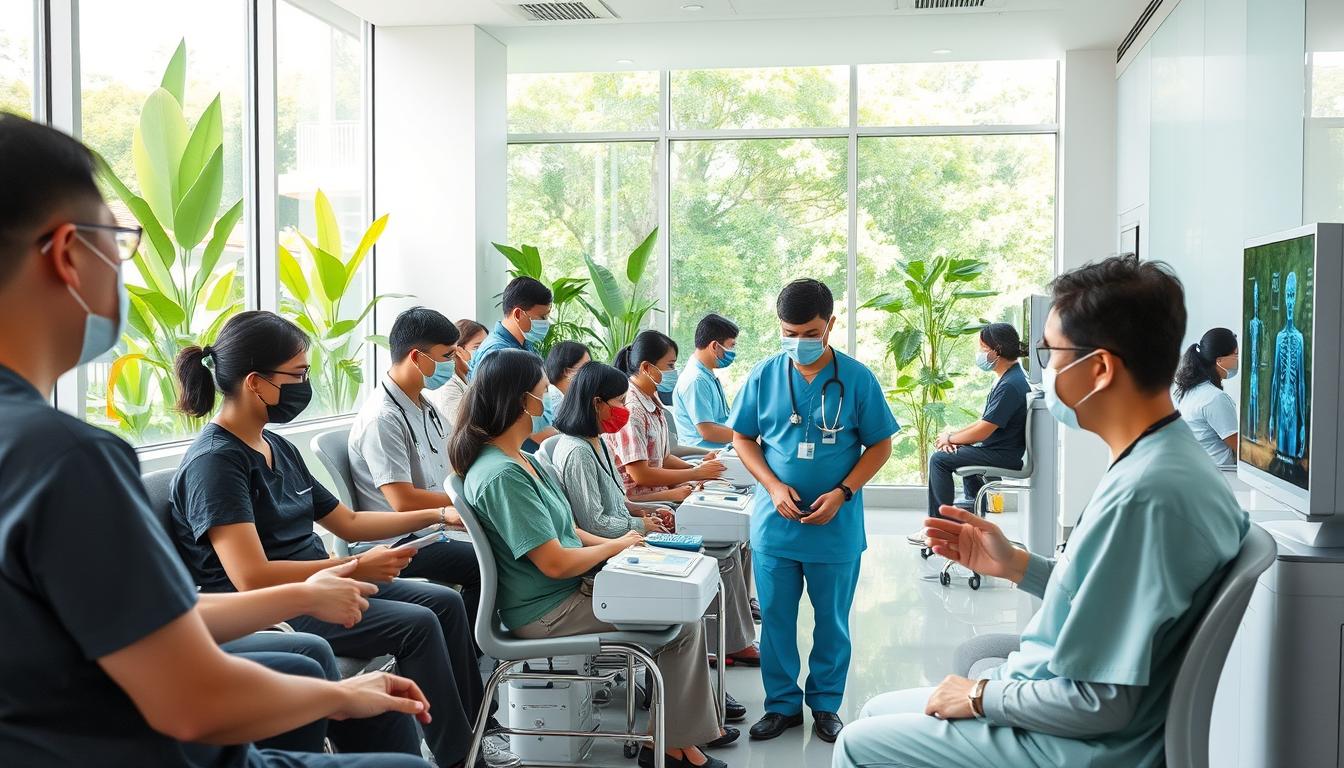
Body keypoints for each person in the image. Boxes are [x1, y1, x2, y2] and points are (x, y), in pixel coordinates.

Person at [0, 113, 429, 767]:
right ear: (66, 254)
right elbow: (195, 701)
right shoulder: (65, 460)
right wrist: (336, 697)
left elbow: (135, 626)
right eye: (118, 240)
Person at [835, 255, 1250, 768]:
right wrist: (1014, 565)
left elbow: (1100, 703)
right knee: (876, 711)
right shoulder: (1162, 459)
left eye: (1050, 353)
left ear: (1098, 368)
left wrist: (980, 695)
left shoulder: (1147, 496)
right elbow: (1107, 599)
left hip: (1069, 744)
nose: (1045, 373)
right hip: (1051, 708)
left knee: (857, 743)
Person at [169, 310, 503, 768]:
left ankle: (467, 739)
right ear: (255, 382)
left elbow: (346, 522)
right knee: (418, 623)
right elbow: (250, 577)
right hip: (279, 604)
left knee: (442, 605)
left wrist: (443, 515)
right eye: (298, 374)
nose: (305, 384)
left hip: (325, 580)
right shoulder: (216, 463)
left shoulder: (276, 446)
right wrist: (350, 568)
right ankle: (455, 757)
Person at [450, 349, 734, 768]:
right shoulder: (502, 475)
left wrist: (628, 542)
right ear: (522, 401)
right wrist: (619, 545)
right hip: (547, 610)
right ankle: (672, 747)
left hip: (570, 590)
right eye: (544, 393)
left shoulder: (523, 460)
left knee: (680, 607)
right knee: (682, 625)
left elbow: (569, 531)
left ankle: (674, 739)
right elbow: (555, 563)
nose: (550, 402)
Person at [727, 279, 899, 744]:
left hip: (835, 526)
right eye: (790, 332)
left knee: (833, 623)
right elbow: (742, 437)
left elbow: (880, 444)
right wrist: (772, 484)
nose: (799, 342)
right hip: (775, 524)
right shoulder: (764, 375)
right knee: (778, 621)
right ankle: (781, 706)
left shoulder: (857, 378)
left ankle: (825, 704)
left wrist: (843, 491)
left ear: (830, 326)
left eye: (810, 332)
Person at [550, 362, 760, 672]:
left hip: (627, 536)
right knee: (711, 564)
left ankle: (721, 649)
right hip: (613, 551)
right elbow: (594, 523)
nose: (625, 409)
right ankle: (721, 651)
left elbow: (617, 500)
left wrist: (645, 511)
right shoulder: (578, 451)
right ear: (597, 403)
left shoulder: (596, 441)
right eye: (620, 403)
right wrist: (641, 524)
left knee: (717, 556)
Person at [346, 307, 486, 641]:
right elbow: (402, 501)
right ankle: (463, 657)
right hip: (401, 537)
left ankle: (468, 655)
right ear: (416, 357)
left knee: (501, 547)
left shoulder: (425, 405)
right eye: (447, 355)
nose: (455, 363)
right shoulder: (383, 418)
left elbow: (453, 464)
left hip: (435, 523)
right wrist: (464, 508)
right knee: (485, 565)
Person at [907, 322, 1031, 545]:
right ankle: (969, 519)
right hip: (996, 449)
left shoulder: (1010, 385)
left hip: (1001, 454)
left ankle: (939, 528)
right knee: (954, 450)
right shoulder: (1009, 379)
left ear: (997, 350)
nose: (980, 354)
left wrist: (951, 439)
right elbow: (984, 422)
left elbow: (983, 431)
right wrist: (951, 436)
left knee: (939, 460)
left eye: (983, 348)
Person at [606, 330, 727, 503]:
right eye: (670, 365)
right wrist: (695, 473)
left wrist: (699, 467)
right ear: (646, 368)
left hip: (660, 490)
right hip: (641, 501)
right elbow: (640, 475)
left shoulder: (651, 400)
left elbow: (663, 458)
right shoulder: (631, 410)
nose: (674, 372)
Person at [469, 276, 556, 445]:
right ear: (518, 314)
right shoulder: (497, 354)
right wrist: (560, 443)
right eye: (542, 317)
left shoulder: (526, 345)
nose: (546, 323)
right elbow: (514, 414)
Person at [1173, 327, 1240, 467]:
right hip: (1220, 474)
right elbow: (1240, 448)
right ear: (1220, 360)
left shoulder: (1189, 391)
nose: (1238, 360)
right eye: (1236, 355)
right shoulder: (1215, 398)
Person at [673, 313, 739, 450]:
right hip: (702, 456)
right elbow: (708, 432)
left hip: (718, 451)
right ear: (715, 346)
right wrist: (749, 437)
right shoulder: (696, 380)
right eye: (731, 346)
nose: (733, 352)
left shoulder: (706, 375)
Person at [427, 317, 487, 431]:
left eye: (486, 346)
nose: (484, 351)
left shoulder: (470, 376)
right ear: (459, 351)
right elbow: (459, 425)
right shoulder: (448, 385)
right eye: (477, 347)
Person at [543, 339, 591, 422]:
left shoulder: (565, 398)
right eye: (586, 367)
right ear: (567, 371)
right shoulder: (554, 401)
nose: (591, 372)